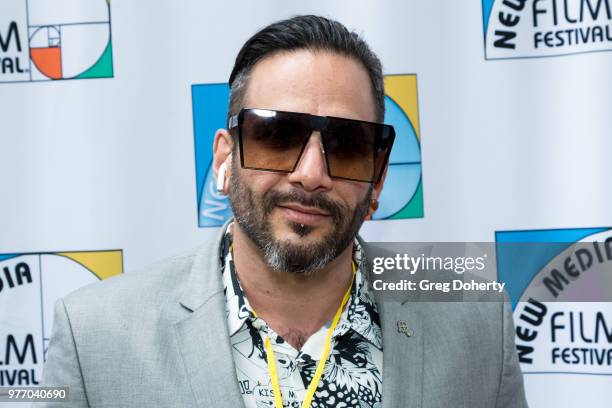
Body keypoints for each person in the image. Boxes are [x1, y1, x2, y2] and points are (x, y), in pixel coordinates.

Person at [41, 15, 528, 408]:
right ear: (224, 161)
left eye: (346, 145)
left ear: (377, 180)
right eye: (277, 136)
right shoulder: (95, 336)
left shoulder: (476, 322)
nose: (311, 173)